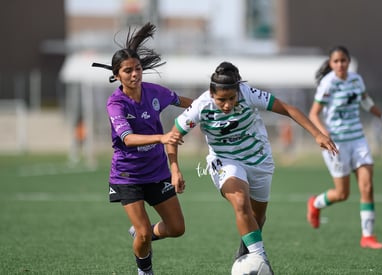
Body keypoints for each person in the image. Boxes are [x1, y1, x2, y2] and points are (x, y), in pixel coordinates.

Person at [166, 61, 338, 272]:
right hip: (225, 160)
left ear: (238, 91)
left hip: (259, 159)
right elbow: (172, 136)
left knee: (258, 217)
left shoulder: (249, 94)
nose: (227, 104)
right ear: (212, 94)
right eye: (222, 100)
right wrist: (175, 169)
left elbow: (288, 109)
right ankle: (262, 261)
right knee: (240, 201)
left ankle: (245, 251)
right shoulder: (201, 106)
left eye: (232, 98)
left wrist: (317, 134)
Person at [92, 22, 192, 275]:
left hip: (157, 172)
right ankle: (144, 271)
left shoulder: (154, 92)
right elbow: (127, 138)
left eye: (137, 68)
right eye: (128, 71)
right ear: (117, 75)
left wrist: (208, 108)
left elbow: (187, 103)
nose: (135, 74)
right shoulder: (116, 103)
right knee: (145, 233)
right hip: (128, 176)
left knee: (177, 228)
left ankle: (140, 234)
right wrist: (162, 138)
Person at [307, 45, 382, 249]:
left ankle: (367, 236)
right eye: (336, 61)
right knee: (342, 194)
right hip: (336, 144)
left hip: (358, 140)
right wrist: (322, 133)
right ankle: (315, 203)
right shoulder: (328, 84)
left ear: (349, 61)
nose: (340, 64)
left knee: (367, 186)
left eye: (343, 60)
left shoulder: (356, 80)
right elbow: (314, 113)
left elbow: (366, 103)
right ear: (331, 64)